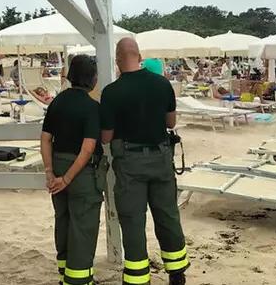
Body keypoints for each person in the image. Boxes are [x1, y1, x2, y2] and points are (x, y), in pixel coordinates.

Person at [101, 38, 190, 285]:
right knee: (168, 215)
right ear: (139, 56)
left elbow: (106, 136)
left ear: (118, 60)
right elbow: (170, 123)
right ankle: (177, 273)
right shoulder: (162, 84)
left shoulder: (111, 92)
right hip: (161, 159)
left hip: (129, 163)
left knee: (132, 221)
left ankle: (139, 279)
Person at [40, 55, 105, 285]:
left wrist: (50, 173)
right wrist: (67, 178)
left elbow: (46, 139)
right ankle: (78, 280)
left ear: (70, 76)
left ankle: (64, 271)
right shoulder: (92, 107)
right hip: (81, 173)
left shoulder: (57, 102)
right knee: (83, 226)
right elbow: (88, 148)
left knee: (63, 220)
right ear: (93, 80)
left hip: (56, 164)